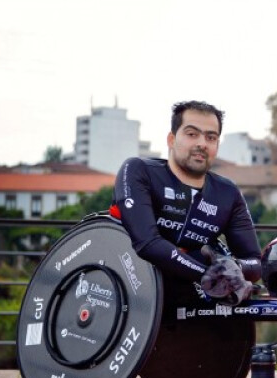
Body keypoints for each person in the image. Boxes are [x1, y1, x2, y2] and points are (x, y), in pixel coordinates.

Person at [111, 100, 261, 305]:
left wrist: (231, 266)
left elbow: (254, 262)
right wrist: (207, 274)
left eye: (211, 137)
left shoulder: (228, 193)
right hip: (129, 290)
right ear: (171, 139)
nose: (202, 143)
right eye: (192, 134)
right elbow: (147, 243)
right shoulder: (139, 170)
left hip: (191, 298)